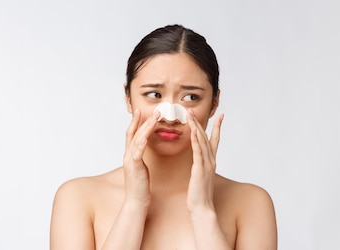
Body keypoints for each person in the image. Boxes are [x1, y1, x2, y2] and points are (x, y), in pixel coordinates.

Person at [50, 24, 277, 250]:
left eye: (190, 97)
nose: (170, 117)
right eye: (154, 94)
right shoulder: (77, 199)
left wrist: (203, 210)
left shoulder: (251, 204)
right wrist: (134, 205)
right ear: (128, 98)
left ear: (214, 103)